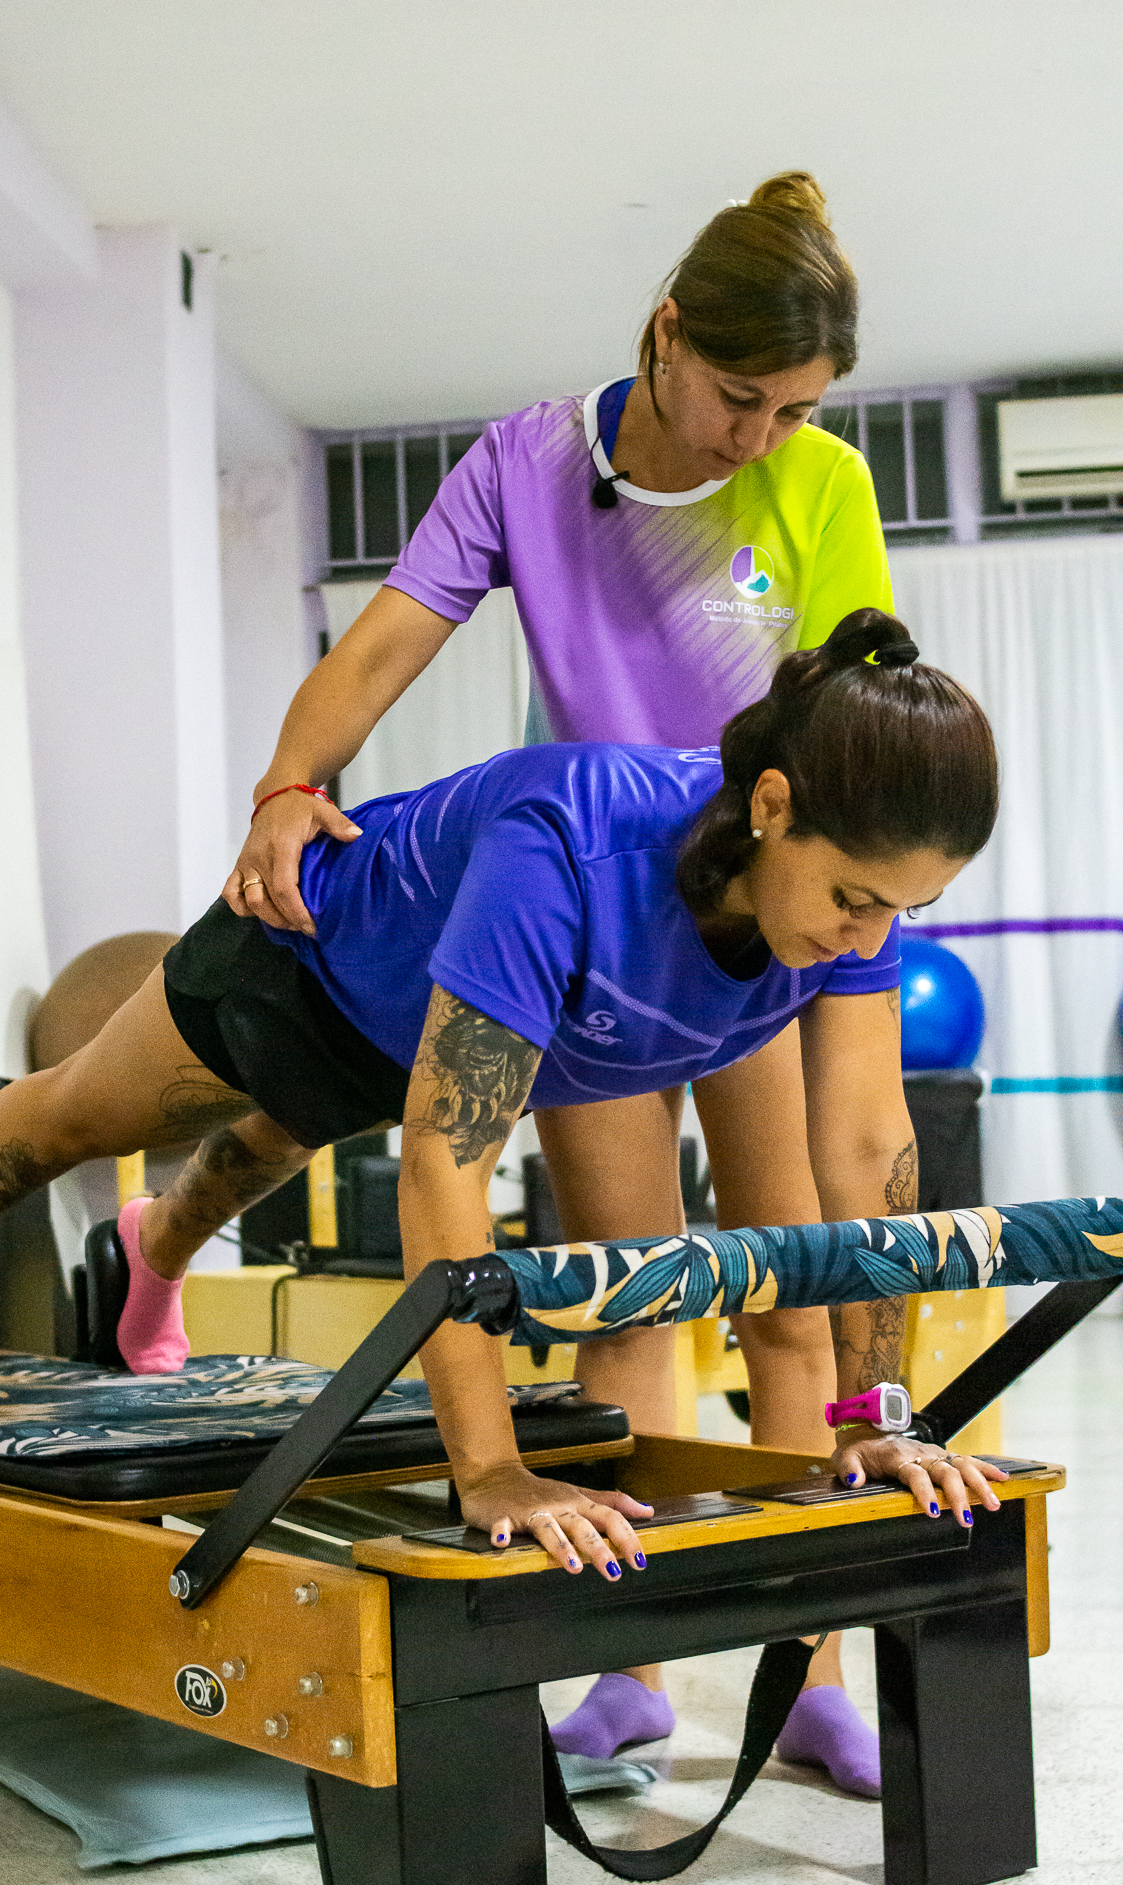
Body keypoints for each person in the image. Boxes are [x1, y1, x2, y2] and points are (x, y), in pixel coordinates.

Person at [0, 613, 1005, 1694]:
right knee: (79, 1118)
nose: (867, 936)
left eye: (901, 910)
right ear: (771, 804)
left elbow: (868, 1150)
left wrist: (880, 1414)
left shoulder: (846, 912)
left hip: (433, 1030)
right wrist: (490, 1469)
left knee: (264, 1149)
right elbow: (447, 1163)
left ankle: (152, 1248)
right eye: (854, 899)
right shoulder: (566, 844)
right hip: (307, 966)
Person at [222, 170, 897, 1779]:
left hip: (748, 919)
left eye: (794, 409)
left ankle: (807, 1670)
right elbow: (385, 639)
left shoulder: (818, 483)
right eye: (738, 397)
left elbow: (858, 722)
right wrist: (288, 786)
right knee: (624, 1287)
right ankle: (629, 1664)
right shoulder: (532, 460)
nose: (760, 438)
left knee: (787, 1290)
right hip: (593, 918)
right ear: (666, 337)